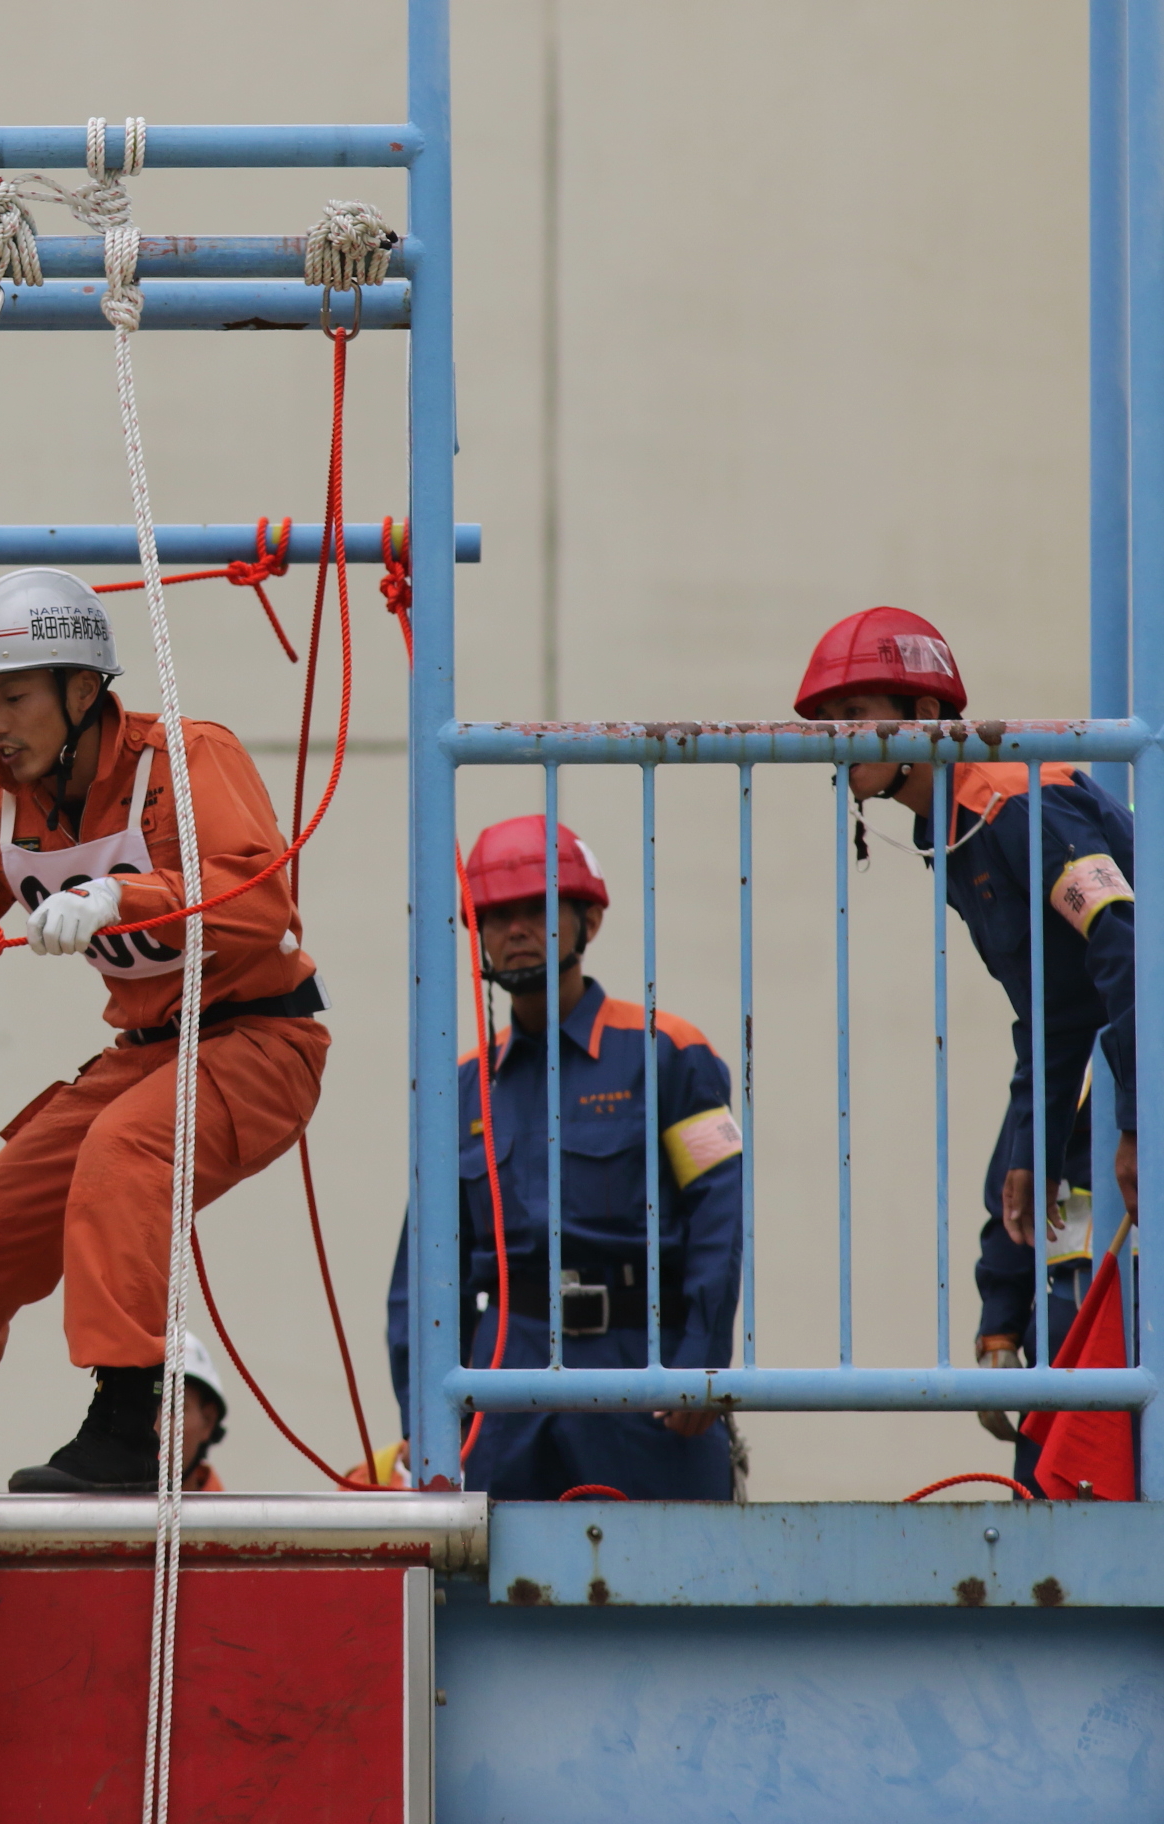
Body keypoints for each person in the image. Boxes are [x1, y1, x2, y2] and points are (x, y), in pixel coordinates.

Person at [0, 568, 329, 1493]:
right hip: (145, 1058)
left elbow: (260, 899)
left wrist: (121, 896)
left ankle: (127, 1422)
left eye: (16, 696)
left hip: (261, 1043)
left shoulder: (187, 760)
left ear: (83, 690)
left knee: (123, 1154)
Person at [797, 605, 1138, 1487]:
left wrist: (1137, 1123)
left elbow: (1125, 945)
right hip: (1100, 1077)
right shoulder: (951, 828)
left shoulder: (1015, 801)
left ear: (921, 709)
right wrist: (1001, 1288)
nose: (836, 743)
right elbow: (1053, 1024)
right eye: (827, 725)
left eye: (855, 717)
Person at [380, 816, 746, 1500]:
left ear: (590, 921)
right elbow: (423, 1278)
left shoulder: (670, 1053)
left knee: (674, 1589)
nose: (514, 930)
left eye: (536, 911)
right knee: (483, 1599)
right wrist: (423, 1415)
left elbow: (719, 1218)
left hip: (646, 1369)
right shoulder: (459, 1087)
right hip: (506, 1375)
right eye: (495, 915)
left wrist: (701, 1363)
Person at [178, 1332, 229, 1492]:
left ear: (208, 1421)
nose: (154, 1425)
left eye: (172, 1407)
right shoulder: (100, 1514)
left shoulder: (235, 1516)